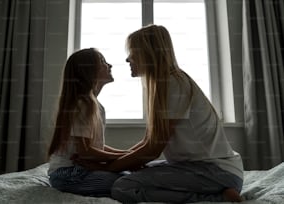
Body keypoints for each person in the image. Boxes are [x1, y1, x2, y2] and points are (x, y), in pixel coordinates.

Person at [75, 25, 243, 203]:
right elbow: (148, 143)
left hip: (215, 171)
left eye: (132, 53)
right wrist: (115, 164)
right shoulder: (164, 85)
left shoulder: (173, 83)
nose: (127, 59)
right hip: (199, 169)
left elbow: (153, 149)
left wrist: (109, 168)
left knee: (123, 187)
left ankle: (218, 198)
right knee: (134, 170)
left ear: (148, 53)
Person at [47, 48, 129, 197]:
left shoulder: (94, 105)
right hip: (68, 175)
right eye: (103, 62)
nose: (109, 65)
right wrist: (125, 157)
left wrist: (128, 154)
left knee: (129, 175)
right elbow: (86, 152)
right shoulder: (83, 104)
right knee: (128, 181)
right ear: (89, 71)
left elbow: (96, 147)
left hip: (78, 171)